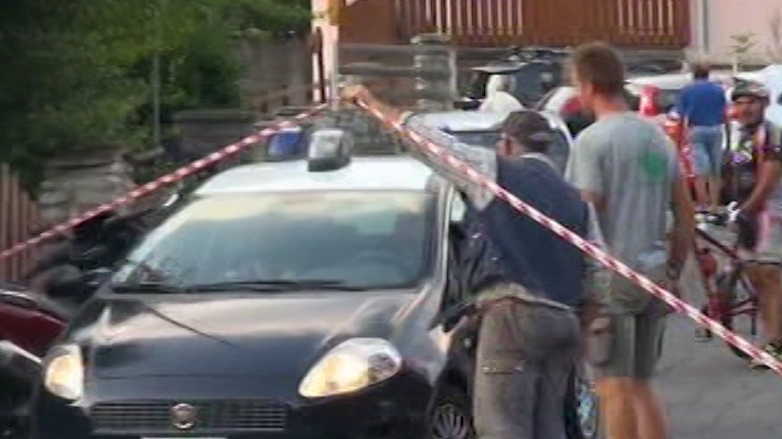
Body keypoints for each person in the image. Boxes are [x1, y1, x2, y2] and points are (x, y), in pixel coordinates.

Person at [343, 84, 607, 439]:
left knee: (501, 425)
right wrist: (583, 325)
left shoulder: (498, 173)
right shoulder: (576, 202)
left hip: (514, 314)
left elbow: (433, 146)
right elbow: (599, 273)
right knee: (550, 426)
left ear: (509, 144)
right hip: (563, 322)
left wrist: (373, 101)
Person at [565, 42, 696, 439]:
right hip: (654, 272)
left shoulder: (592, 142)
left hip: (610, 277)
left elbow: (587, 209)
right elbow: (685, 213)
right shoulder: (658, 139)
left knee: (612, 388)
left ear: (587, 85)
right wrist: (673, 268)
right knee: (641, 384)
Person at [723, 83, 782, 368]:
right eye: (740, 103)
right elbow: (739, 175)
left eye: (752, 102)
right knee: (756, 277)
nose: (745, 108)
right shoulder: (742, 138)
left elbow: (769, 177)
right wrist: (729, 206)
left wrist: (749, 208)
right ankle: (772, 335)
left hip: (771, 214)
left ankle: (775, 344)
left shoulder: (771, 134)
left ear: (764, 105)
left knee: (769, 276)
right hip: (749, 215)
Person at [675, 62, 728, 210]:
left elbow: (681, 115)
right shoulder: (718, 90)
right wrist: (728, 135)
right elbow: (725, 113)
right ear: (708, 74)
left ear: (693, 74)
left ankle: (703, 204)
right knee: (714, 170)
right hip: (716, 129)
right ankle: (715, 204)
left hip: (696, 130)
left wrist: (681, 139)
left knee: (700, 170)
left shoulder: (687, 91)